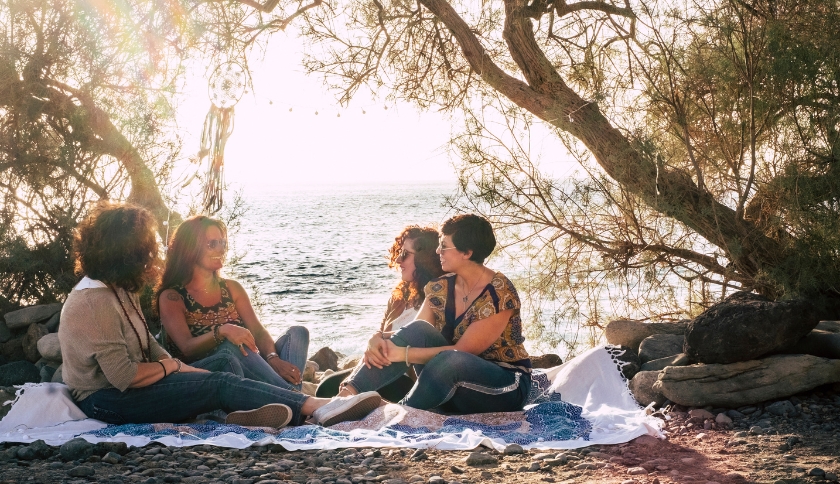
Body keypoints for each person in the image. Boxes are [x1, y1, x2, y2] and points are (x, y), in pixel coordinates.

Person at [58, 202, 380, 428]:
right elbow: (124, 377)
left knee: (219, 380)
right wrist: (174, 366)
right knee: (222, 375)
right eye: (147, 248)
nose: (153, 254)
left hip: (134, 388)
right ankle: (315, 407)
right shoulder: (93, 302)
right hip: (106, 400)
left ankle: (271, 406)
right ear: (128, 251)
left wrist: (192, 374)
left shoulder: (119, 289)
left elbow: (151, 350)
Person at [337, 214, 532, 414]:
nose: (438, 251)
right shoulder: (440, 287)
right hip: (449, 385)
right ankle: (342, 400)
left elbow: (463, 352)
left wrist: (402, 355)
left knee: (452, 359)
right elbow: (413, 333)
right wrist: (376, 338)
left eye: (444, 246)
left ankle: (399, 413)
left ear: (467, 252)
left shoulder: (499, 292)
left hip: (504, 387)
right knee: (419, 330)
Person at [157, 215, 307, 391]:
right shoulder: (172, 297)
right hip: (211, 374)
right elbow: (187, 347)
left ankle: (288, 396)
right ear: (190, 247)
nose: (220, 249)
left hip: (254, 365)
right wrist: (223, 331)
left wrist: (273, 358)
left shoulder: (232, 288)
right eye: (212, 244)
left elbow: (257, 330)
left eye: (223, 243)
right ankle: (296, 398)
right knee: (233, 345)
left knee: (298, 333)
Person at [316, 225, 444, 399]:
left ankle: (340, 405)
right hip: (379, 370)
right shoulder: (399, 297)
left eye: (405, 254)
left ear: (425, 259)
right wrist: (373, 339)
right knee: (326, 387)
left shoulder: (438, 298)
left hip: (411, 380)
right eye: (399, 252)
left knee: (367, 393)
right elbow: (381, 336)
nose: (398, 259)